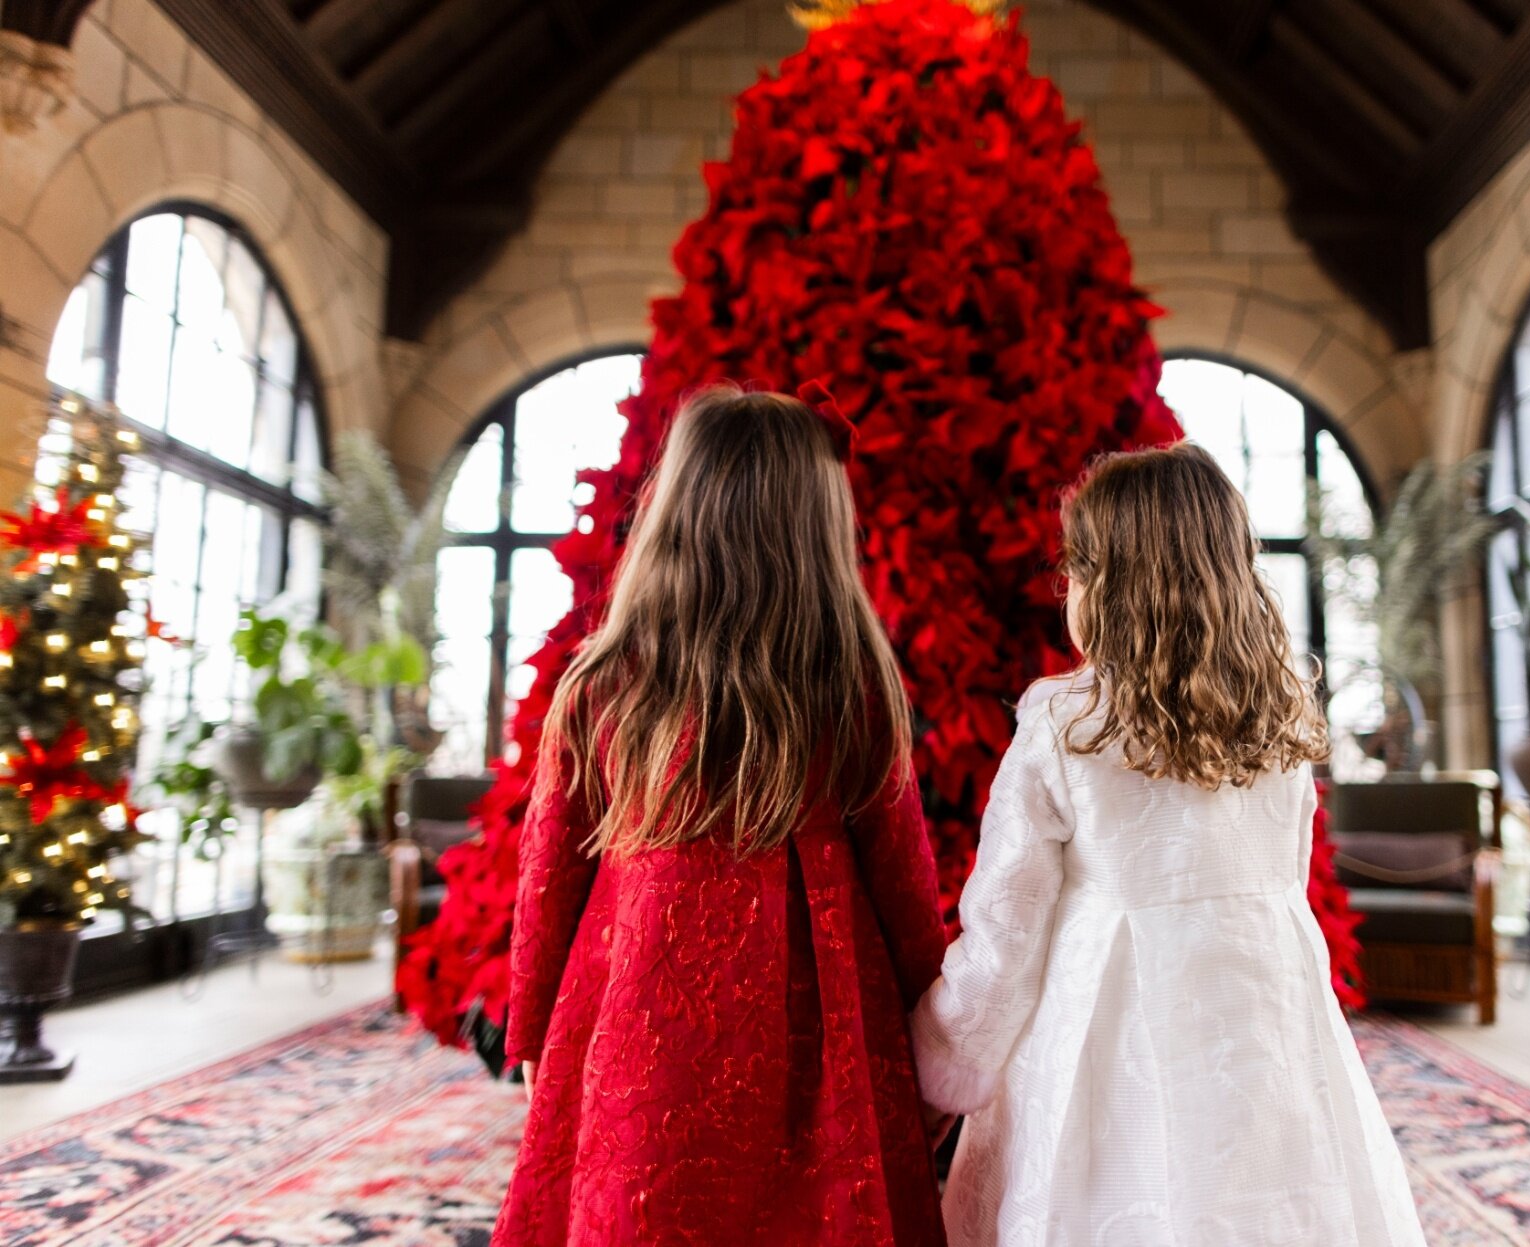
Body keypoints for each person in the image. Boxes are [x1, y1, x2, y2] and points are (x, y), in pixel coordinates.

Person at [911, 442, 1426, 1246]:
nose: (1065, 588)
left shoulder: (1063, 724)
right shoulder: (1282, 723)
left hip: (1109, 1037)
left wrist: (945, 1052)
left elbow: (1006, 931)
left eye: (1077, 567)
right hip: (1261, 1020)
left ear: (1114, 584)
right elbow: (1284, 893)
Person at [493, 386, 949, 1247]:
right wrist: (933, 1036)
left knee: (642, 1201)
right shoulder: (848, 685)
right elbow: (905, 887)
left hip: (633, 1008)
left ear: (677, 508)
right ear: (817, 525)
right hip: (822, 1021)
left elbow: (548, 879)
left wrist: (535, 1032)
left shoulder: (604, 681)